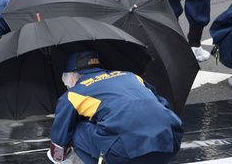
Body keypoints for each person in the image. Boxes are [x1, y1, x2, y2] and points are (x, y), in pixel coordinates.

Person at [47, 52, 183, 164]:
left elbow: (59, 142)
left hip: (127, 154)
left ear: (70, 77)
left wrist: (58, 157)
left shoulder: (74, 93)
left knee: (75, 128)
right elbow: (163, 104)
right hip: (170, 143)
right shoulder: (132, 76)